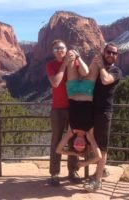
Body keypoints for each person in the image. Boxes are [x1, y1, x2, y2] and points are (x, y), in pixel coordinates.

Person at [83, 42, 122, 192]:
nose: (111, 55)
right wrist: (93, 64)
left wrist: (99, 66)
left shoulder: (116, 71)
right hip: (91, 110)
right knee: (91, 141)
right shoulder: (99, 66)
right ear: (103, 53)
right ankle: (102, 169)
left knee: (102, 147)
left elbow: (106, 80)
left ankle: (97, 181)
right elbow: (86, 78)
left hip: (104, 112)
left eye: (114, 53)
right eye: (109, 52)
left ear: (116, 56)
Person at [55, 48, 102, 170]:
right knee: (98, 58)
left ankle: (76, 54)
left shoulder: (71, 132)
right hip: (87, 91)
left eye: (76, 146)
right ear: (86, 144)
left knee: (71, 54)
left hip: (72, 90)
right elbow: (98, 156)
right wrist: (84, 163)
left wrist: (74, 154)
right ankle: (81, 57)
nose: (78, 144)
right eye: (81, 146)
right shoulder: (89, 134)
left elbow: (58, 150)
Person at [46, 39, 81, 186]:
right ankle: (55, 173)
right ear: (53, 52)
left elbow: (85, 74)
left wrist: (77, 58)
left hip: (74, 107)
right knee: (56, 140)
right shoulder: (51, 65)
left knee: (74, 140)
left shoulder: (74, 62)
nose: (59, 50)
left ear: (66, 49)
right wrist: (64, 64)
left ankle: (73, 170)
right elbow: (55, 82)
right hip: (58, 108)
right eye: (56, 49)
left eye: (61, 48)